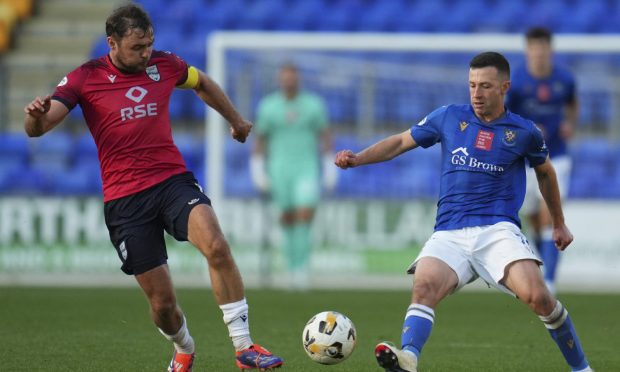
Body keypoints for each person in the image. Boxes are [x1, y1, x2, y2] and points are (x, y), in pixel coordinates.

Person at [23, 4, 282, 372]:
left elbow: (203, 82)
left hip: (171, 181)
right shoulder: (85, 77)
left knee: (217, 245)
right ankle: (184, 347)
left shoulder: (165, 65)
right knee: (162, 304)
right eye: (137, 47)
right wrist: (33, 117)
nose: (146, 54)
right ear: (112, 43)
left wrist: (237, 120)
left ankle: (244, 347)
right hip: (125, 200)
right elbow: (40, 127)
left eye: (149, 44)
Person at [335, 52, 592, 372]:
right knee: (424, 286)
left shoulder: (524, 132)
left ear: (504, 87)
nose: (476, 93)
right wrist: (358, 158)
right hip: (449, 232)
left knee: (539, 297)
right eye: (472, 85)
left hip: (497, 230)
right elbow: (401, 142)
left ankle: (582, 369)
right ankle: (409, 357)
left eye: (485, 86)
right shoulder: (448, 117)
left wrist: (559, 223)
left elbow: (546, 173)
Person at [250, 63, 336, 290]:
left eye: (292, 77)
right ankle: (291, 267)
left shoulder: (313, 104)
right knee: (287, 218)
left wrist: (329, 165)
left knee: (305, 214)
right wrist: (257, 168)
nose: (289, 81)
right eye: (285, 77)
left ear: (298, 79)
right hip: (279, 168)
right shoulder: (268, 106)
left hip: (306, 167)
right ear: (280, 79)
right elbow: (261, 138)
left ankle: (302, 268)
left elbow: (325, 134)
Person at [506, 27, 578, 295]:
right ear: (527, 51)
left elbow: (572, 104)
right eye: (533, 48)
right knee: (532, 217)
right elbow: (504, 114)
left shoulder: (564, 79)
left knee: (550, 216)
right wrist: (528, 127)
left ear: (550, 50)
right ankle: (544, 262)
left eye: (542, 48)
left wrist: (570, 124)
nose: (538, 53)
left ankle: (549, 281)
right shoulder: (517, 81)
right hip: (525, 160)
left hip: (556, 156)